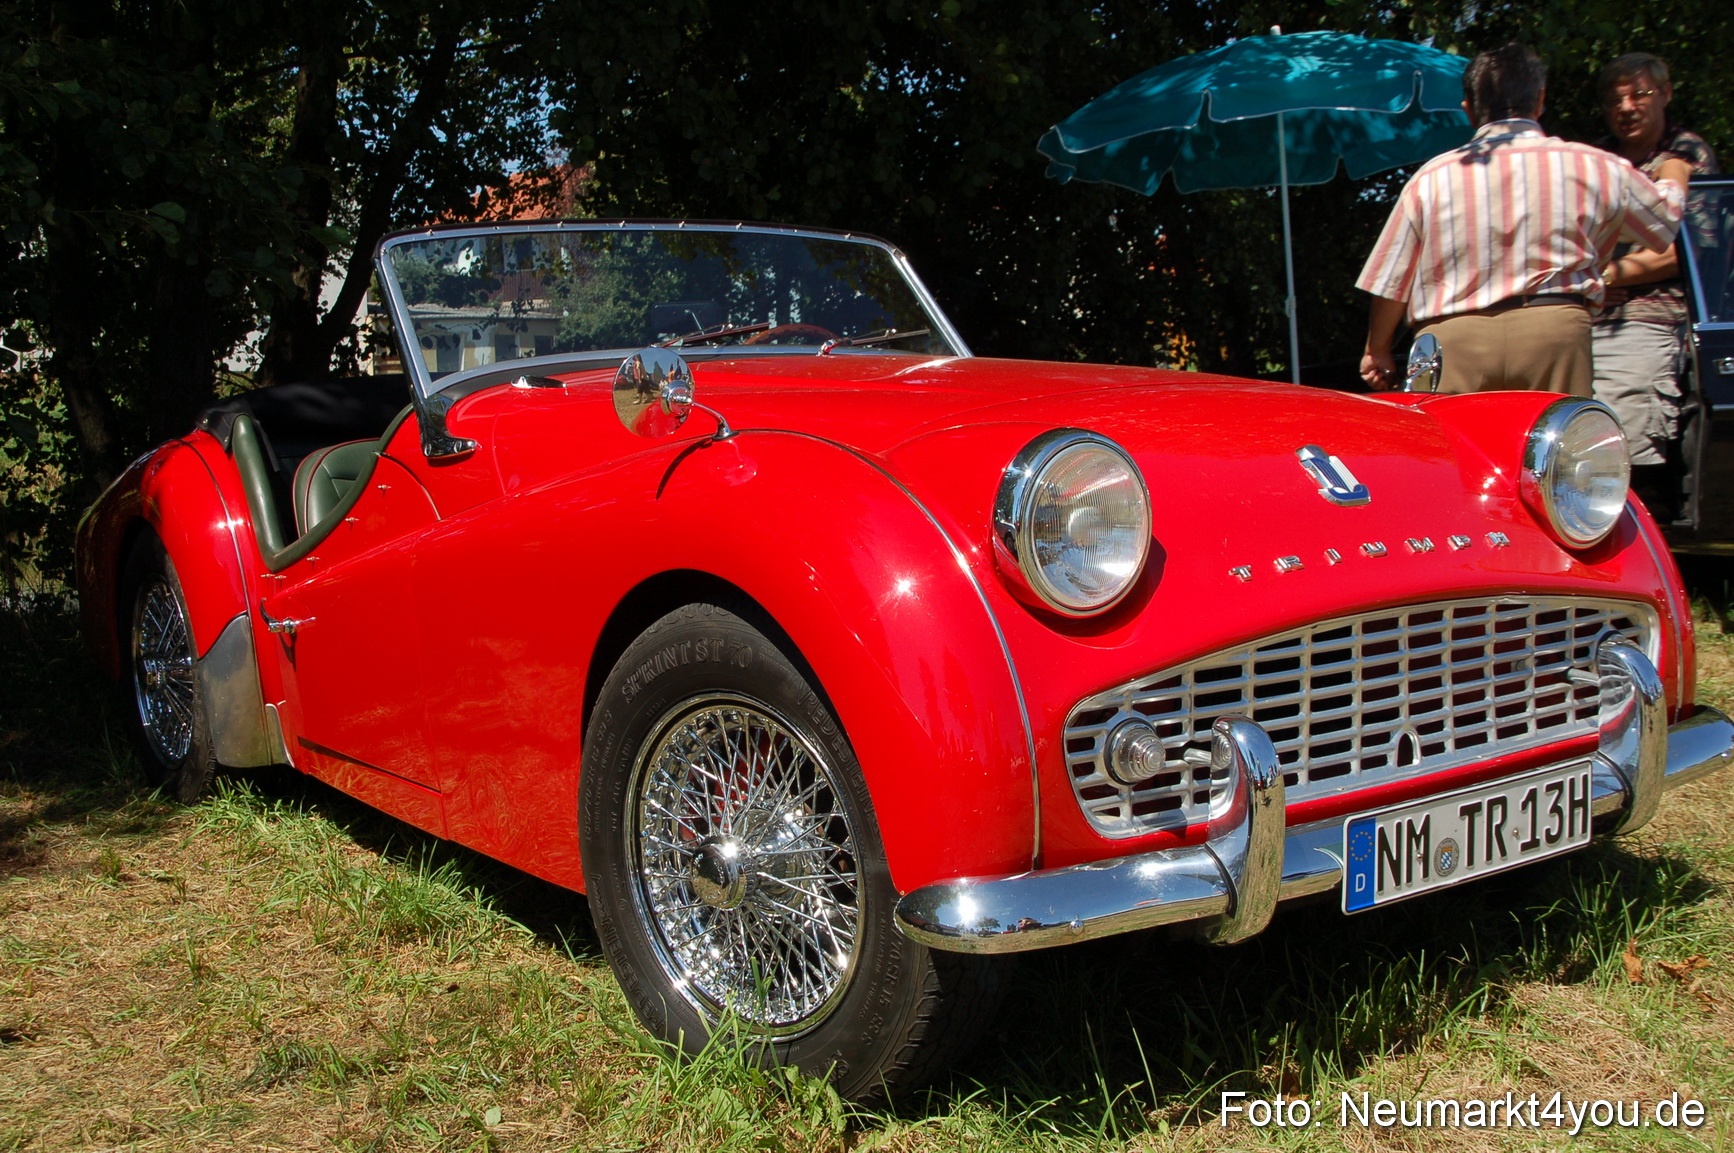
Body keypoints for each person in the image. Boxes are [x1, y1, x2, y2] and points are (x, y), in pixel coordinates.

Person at [1356, 44, 1689, 394]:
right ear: (1540, 100)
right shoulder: (1593, 165)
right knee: (1556, 444)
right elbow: (1663, 223)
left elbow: (1392, 279)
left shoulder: (1431, 178)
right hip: (1554, 331)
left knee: (1454, 446)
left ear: (1469, 110)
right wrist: (1674, 171)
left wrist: (1377, 350)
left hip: (1452, 342)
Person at [1590, 52, 1719, 510]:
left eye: (1639, 94)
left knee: (1621, 434)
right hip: (1586, 313)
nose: (1626, 107)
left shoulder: (1685, 155)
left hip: (1648, 319)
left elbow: (1689, 250)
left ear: (1665, 94)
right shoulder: (1596, 159)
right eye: (1615, 99)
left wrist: (1604, 274)